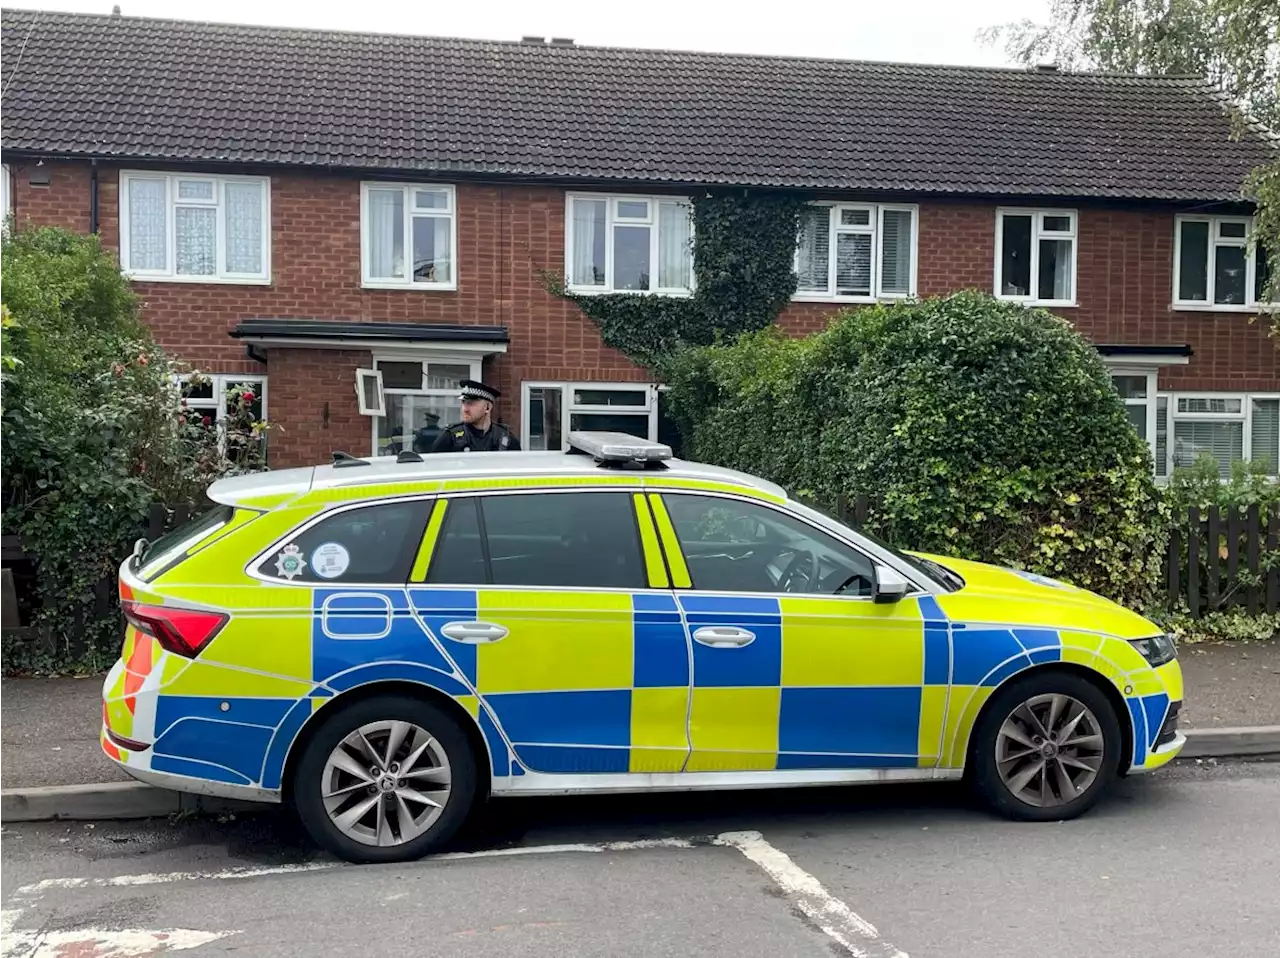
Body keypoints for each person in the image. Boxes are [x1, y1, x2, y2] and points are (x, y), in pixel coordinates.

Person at [429, 379, 521, 453]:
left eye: (471, 403)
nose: (465, 409)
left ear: (487, 407)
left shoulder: (505, 438)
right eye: (463, 403)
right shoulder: (450, 437)